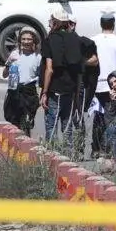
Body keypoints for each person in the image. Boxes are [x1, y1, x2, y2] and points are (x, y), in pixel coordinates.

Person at [39, 9, 83, 150]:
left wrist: (44, 92)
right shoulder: (75, 39)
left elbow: (49, 69)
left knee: (51, 127)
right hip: (70, 90)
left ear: (55, 22)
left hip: (55, 90)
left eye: (51, 20)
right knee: (67, 126)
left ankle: (52, 160)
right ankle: (69, 159)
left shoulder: (50, 40)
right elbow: (79, 67)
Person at [92, 11, 116, 154]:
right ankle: (108, 148)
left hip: (96, 85)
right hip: (112, 85)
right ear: (113, 24)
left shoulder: (93, 40)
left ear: (101, 24)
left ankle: (96, 148)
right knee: (111, 117)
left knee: (98, 115)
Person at [2, 30, 41, 136]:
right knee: (13, 122)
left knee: (26, 123)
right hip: (14, 90)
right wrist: (9, 63)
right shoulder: (14, 54)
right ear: (20, 40)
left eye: (29, 39)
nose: (26, 42)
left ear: (34, 41)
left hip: (29, 92)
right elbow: (4, 74)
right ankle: (14, 148)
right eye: (23, 39)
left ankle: (25, 147)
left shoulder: (38, 57)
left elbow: (40, 77)